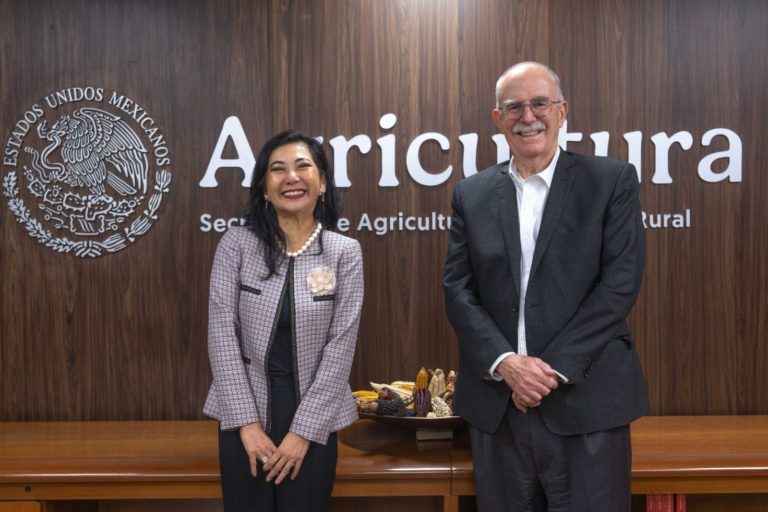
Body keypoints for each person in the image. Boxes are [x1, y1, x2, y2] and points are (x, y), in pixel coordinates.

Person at [442, 62, 649, 511]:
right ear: (498, 119)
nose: (528, 116)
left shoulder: (610, 181)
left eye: (540, 103)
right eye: (514, 107)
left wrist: (547, 370)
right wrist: (506, 364)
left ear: (562, 111)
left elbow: (619, 284)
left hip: (587, 402)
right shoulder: (471, 194)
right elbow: (458, 289)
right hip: (499, 406)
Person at [203, 129, 364, 512]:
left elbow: (340, 348)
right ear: (264, 187)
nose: (291, 177)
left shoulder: (344, 252)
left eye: (302, 166)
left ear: (322, 182)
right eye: (277, 169)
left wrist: (303, 432)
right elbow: (221, 335)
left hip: (314, 412)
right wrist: (246, 423)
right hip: (244, 411)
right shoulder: (236, 245)